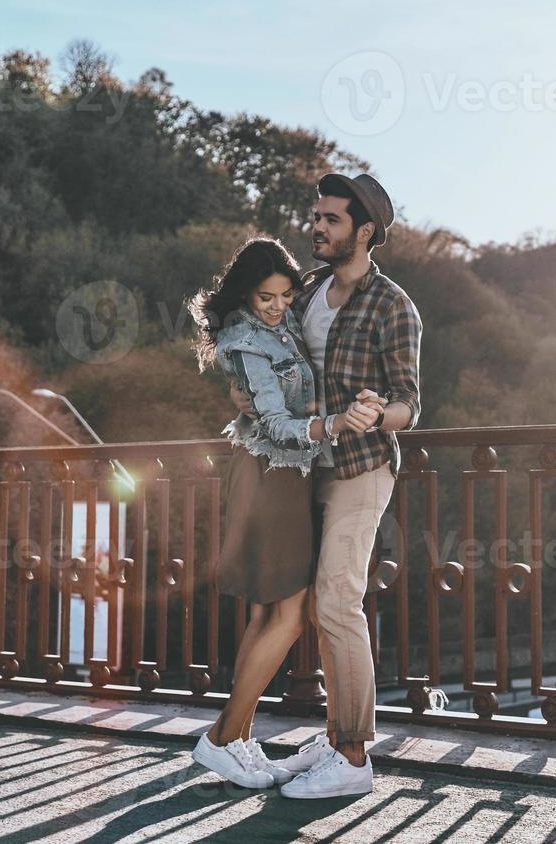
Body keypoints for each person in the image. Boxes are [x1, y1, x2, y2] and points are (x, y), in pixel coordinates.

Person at [232, 173, 423, 799]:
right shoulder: (306, 290)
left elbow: (410, 406)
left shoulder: (391, 305)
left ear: (363, 231)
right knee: (304, 605)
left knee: (338, 601)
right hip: (302, 467)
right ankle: (329, 731)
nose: (317, 227)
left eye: (331, 220)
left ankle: (352, 755)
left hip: (361, 467)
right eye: (315, 217)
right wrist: (244, 389)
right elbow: (270, 362)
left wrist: (375, 410)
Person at [186, 236, 381, 790]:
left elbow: (294, 398)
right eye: (266, 297)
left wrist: (333, 410)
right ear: (246, 294)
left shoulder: (283, 324)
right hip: (271, 474)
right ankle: (221, 739)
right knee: (289, 613)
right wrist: (333, 425)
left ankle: (234, 739)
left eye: (284, 294)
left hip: (287, 476)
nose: (277, 305)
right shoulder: (247, 338)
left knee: (271, 613)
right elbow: (275, 421)